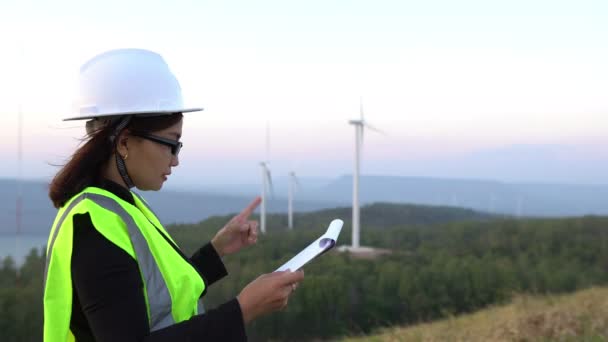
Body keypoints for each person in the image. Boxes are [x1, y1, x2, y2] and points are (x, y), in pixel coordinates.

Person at [43, 48, 304, 341]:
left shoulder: (117, 207)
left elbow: (159, 298)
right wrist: (242, 311)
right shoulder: (93, 226)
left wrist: (215, 250)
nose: (175, 159)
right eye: (171, 143)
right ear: (125, 142)